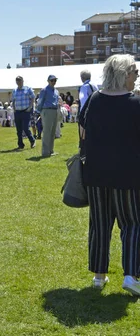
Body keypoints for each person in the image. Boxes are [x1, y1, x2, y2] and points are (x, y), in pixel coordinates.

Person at [78, 54, 140, 295]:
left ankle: (98, 275)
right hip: (128, 175)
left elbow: (82, 133)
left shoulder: (94, 100)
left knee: (100, 225)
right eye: (134, 72)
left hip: (96, 173)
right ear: (124, 75)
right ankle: (130, 275)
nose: (136, 76)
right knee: (133, 223)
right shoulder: (135, 103)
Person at [36, 75, 60, 157]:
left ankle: (51, 150)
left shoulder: (56, 91)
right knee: (47, 132)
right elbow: (40, 101)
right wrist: (38, 112)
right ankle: (45, 152)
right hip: (47, 110)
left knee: (53, 132)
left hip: (55, 110)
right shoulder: (44, 90)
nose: (53, 82)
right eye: (52, 80)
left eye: (55, 80)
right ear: (48, 81)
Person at [12, 76, 36, 149]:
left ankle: (32, 140)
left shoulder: (28, 89)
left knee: (25, 128)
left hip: (26, 111)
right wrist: (14, 109)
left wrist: (30, 108)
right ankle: (20, 144)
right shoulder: (14, 91)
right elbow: (13, 100)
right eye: (17, 80)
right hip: (18, 112)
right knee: (18, 129)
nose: (18, 82)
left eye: (20, 80)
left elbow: (32, 98)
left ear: (23, 81)